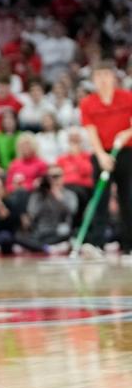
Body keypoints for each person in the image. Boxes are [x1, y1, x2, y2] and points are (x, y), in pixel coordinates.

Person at [79, 60, 132, 256]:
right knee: (101, 198)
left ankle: (129, 245)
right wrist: (101, 155)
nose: (102, 80)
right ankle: (97, 243)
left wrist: (126, 134)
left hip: (126, 153)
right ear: (93, 79)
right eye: (98, 76)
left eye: (106, 75)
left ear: (113, 77)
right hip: (101, 154)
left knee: (127, 198)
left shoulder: (127, 98)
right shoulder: (88, 103)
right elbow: (91, 131)